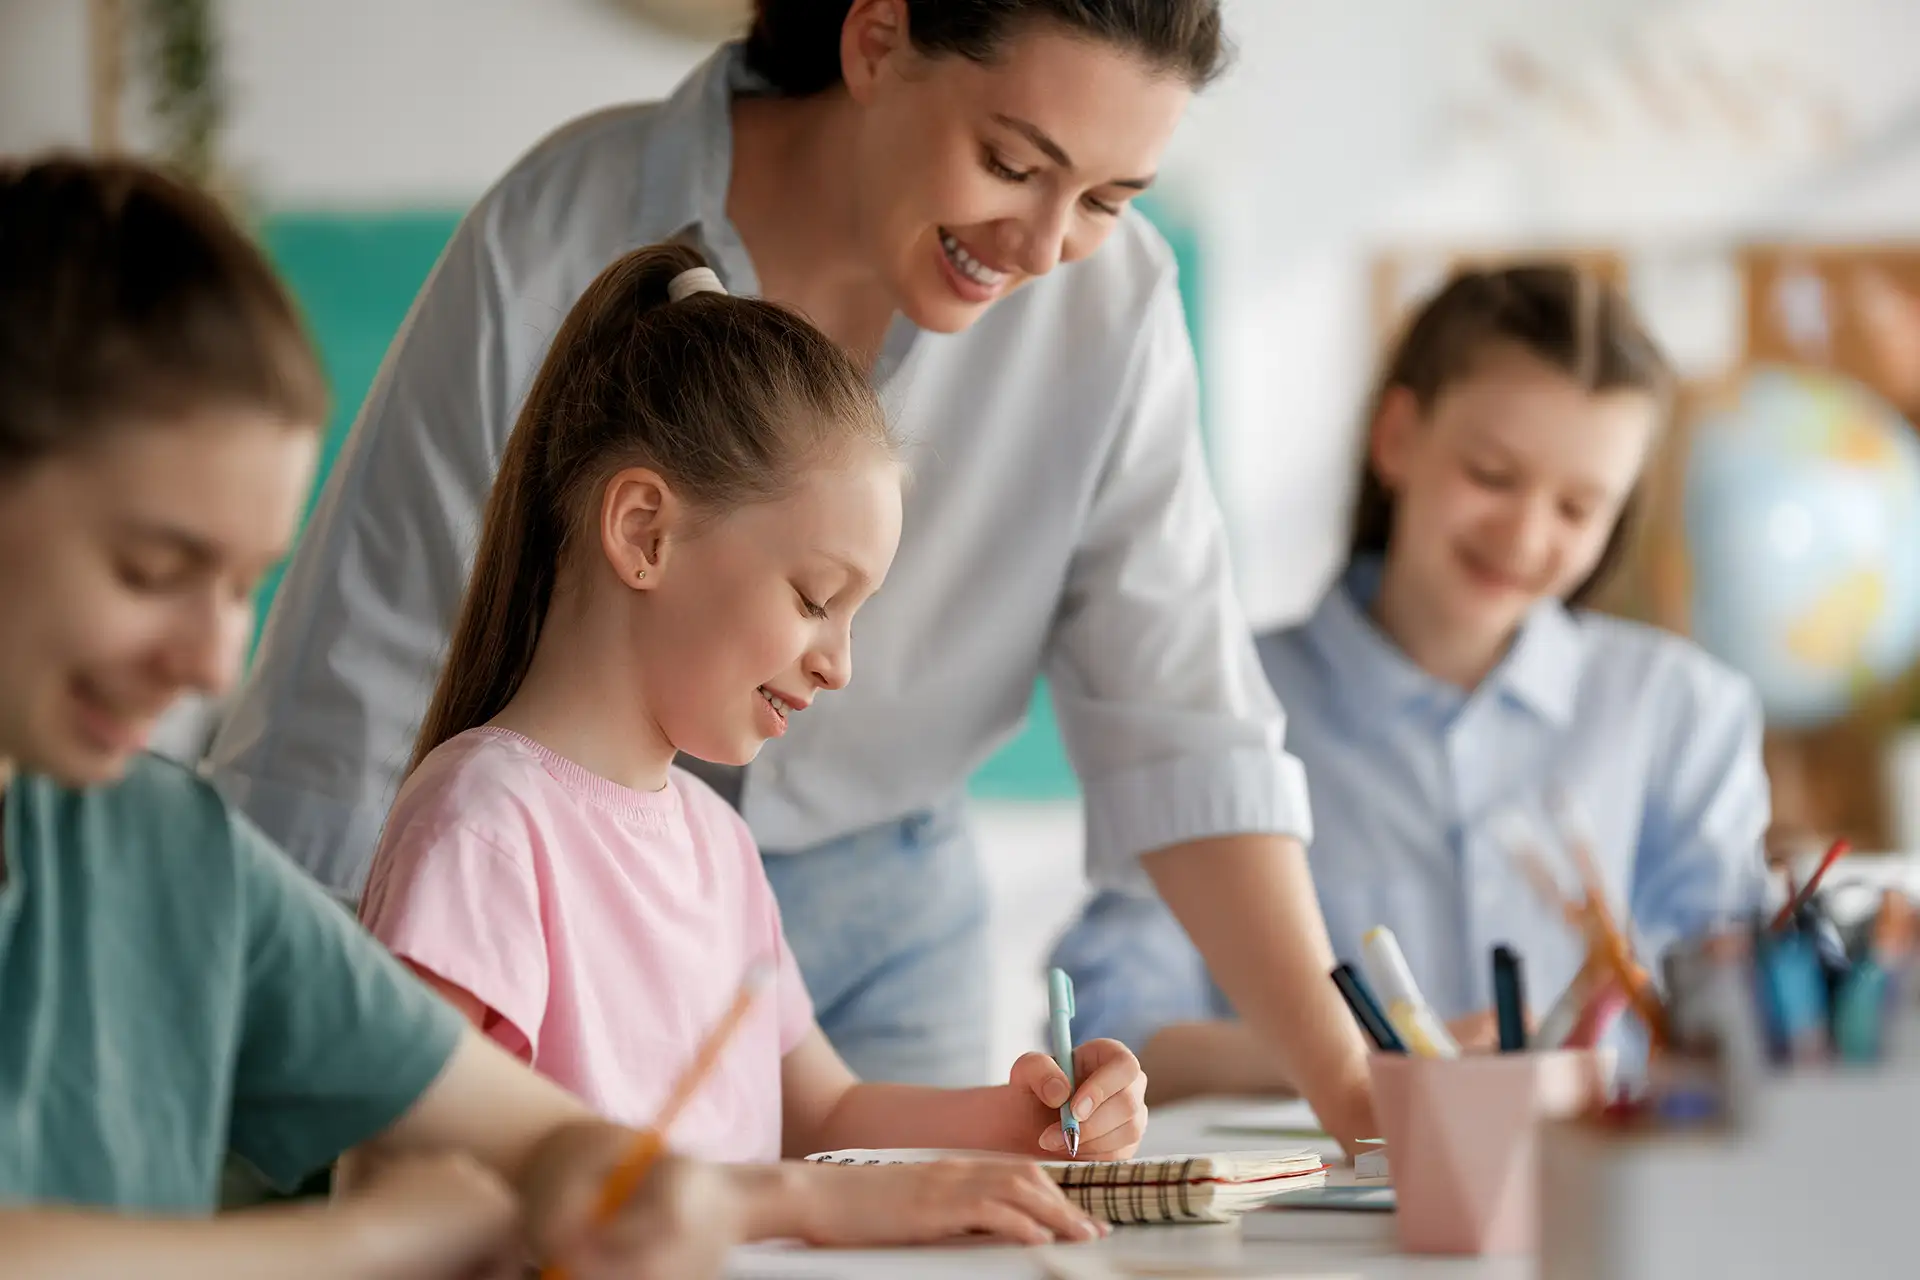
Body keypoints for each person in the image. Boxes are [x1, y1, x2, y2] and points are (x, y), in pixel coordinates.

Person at [204, 0, 1377, 1141]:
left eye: (1109, 200)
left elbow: (1184, 723)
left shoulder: (1112, 309)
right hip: (541, 890)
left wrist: (1349, 1081)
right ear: (877, 40)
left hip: (886, 900)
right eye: (1013, 163)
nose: (1045, 244)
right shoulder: (560, 229)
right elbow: (358, 675)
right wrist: (264, 1069)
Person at [0, 153, 745, 1280]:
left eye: (247, 584)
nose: (211, 660)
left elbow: (537, 1133)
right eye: (153, 568)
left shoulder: (164, 846)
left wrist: (600, 1180)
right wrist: (358, 1241)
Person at [357, 239, 1131, 1246]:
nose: (838, 663)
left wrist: (1032, 1122)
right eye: (816, 599)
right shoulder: (486, 828)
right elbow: (395, 1182)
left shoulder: (713, 845)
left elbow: (826, 1117)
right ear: (644, 531)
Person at [1052, 265, 1772, 1102]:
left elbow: (1740, 1024)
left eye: (1578, 508)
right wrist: (1348, 1063)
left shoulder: (1682, 712)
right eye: (1493, 476)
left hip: (1610, 1206)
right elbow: (1111, 1036)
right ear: (1397, 437)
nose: (1526, 533)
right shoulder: (1223, 705)